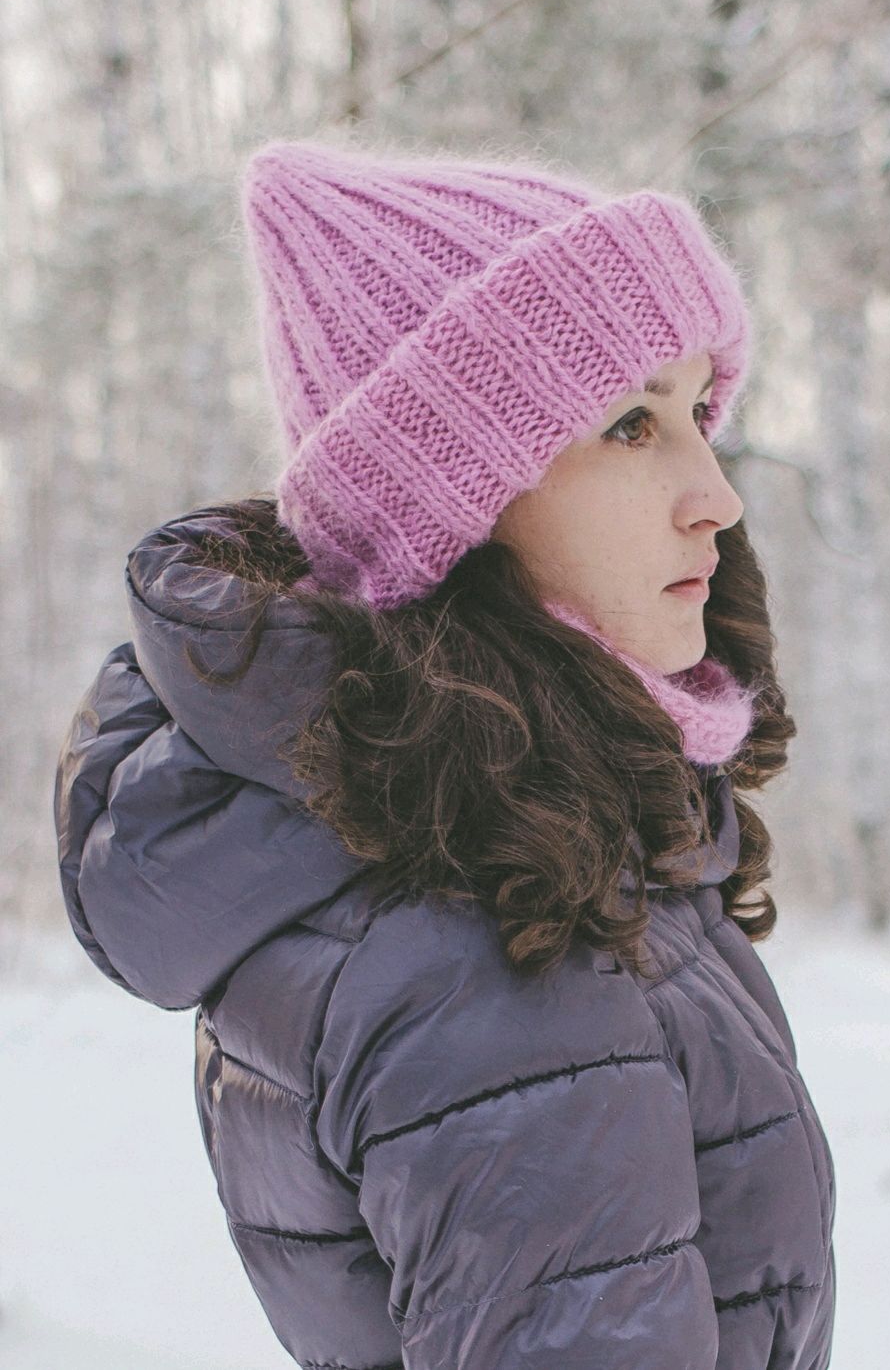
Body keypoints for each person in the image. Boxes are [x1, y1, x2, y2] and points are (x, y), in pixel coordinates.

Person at [53, 139, 837, 1370]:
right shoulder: (486, 945)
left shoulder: (515, 833)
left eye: (697, 412)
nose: (715, 495)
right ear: (456, 506)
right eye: (630, 425)